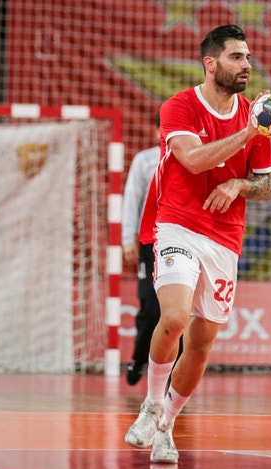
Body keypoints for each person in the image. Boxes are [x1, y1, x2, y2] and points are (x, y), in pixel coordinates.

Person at [124, 24, 271, 464]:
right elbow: (190, 160)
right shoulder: (180, 106)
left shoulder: (255, 112)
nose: (246, 65)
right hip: (176, 225)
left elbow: (268, 185)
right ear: (210, 63)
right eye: (236, 57)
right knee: (172, 318)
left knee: (203, 341)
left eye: (247, 57)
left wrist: (239, 186)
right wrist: (250, 133)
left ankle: (166, 428)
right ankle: (151, 406)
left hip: (224, 238)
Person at [122, 115, 162, 386]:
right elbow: (131, 198)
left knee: (179, 311)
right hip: (150, 243)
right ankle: (139, 357)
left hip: (183, 243)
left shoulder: (192, 157)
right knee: (151, 305)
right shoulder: (145, 160)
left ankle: (170, 374)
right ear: (158, 129)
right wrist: (127, 239)